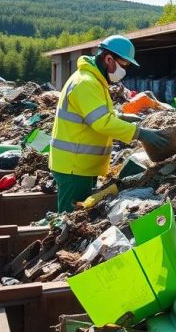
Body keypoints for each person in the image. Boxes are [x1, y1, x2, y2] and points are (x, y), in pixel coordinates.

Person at [49, 35, 168, 213]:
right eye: (124, 65)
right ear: (108, 59)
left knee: (79, 214)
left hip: (81, 164)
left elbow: (100, 115)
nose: (124, 70)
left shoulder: (95, 81)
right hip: (74, 166)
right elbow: (101, 123)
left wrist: (123, 117)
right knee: (69, 219)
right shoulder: (86, 83)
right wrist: (140, 133)